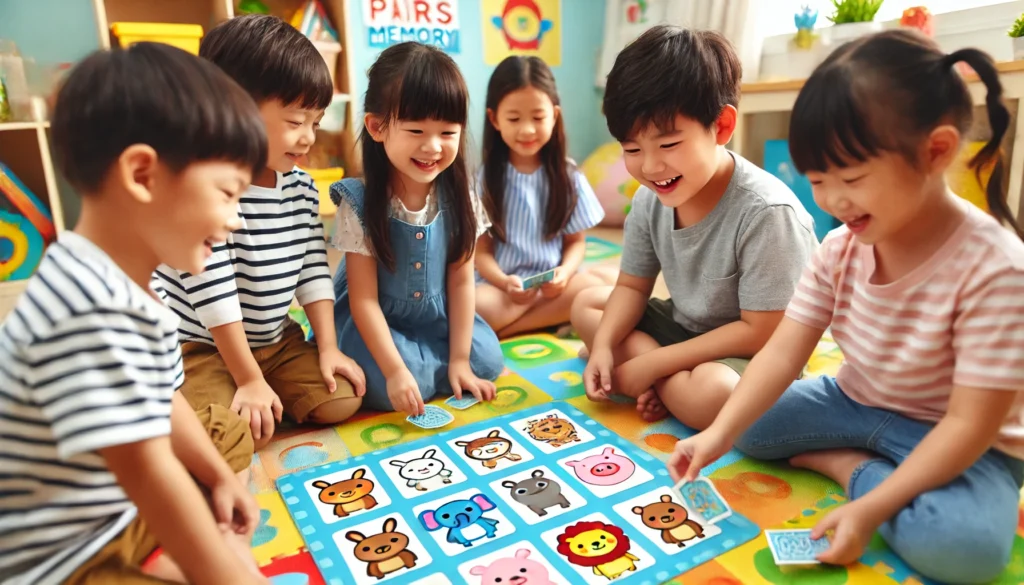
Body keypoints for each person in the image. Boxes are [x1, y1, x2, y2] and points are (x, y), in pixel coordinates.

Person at [670, 30, 1024, 584]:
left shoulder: (999, 270)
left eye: (852, 179)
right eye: (817, 181)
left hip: (961, 440)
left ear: (936, 151)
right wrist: (716, 437)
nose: (832, 201)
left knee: (966, 551)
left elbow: (969, 425)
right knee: (746, 422)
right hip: (855, 400)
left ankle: (852, 470)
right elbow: (785, 353)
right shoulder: (840, 246)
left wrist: (870, 505)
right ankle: (857, 460)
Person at [0, 43, 268, 585]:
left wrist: (218, 478)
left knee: (219, 446)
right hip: (58, 558)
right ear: (142, 175)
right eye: (226, 193)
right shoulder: (88, 308)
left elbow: (163, 400)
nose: (235, 221)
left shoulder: (132, 288)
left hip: (111, 511)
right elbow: (149, 474)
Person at [572, 25, 818, 426]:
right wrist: (602, 346)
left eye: (668, 145)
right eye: (632, 149)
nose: (650, 167)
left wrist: (652, 364)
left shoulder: (767, 212)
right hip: (683, 331)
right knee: (586, 304)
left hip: (752, 352)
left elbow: (761, 332)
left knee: (713, 395)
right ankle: (653, 378)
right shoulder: (650, 199)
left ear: (721, 127)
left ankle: (653, 381)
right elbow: (632, 286)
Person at [154, 15, 365, 451]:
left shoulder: (301, 186)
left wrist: (327, 347)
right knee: (225, 440)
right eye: (294, 121)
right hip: (203, 344)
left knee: (341, 400)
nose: (308, 138)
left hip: (274, 338)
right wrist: (247, 378)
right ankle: (215, 396)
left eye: (316, 122)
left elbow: (313, 268)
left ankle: (260, 391)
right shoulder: (206, 188)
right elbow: (213, 291)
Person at [329, 42, 504, 416]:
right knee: (389, 383)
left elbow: (460, 282)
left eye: (447, 132)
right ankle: (410, 369)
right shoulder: (359, 201)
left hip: (436, 319)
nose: (432, 146)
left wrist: (459, 359)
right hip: (379, 323)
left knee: (486, 360)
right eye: (416, 130)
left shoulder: (461, 196)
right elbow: (363, 301)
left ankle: (437, 364)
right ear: (377, 127)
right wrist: (394, 372)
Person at [474, 55, 615, 338]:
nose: (527, 129)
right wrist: (504, 283)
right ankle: (552, 317)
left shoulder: (568, 175)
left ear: (554, 115)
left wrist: (564, 273)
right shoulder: (486, 179)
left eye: (538, 117)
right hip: (502, 290)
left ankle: (511, 328)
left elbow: (576, 243)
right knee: (475, 306)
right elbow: (482, 253)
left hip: (553, 287)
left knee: (614, 282)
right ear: (494, 119)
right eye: (514, 118)